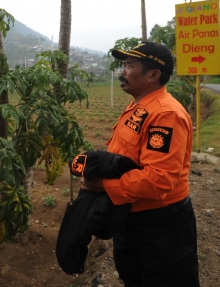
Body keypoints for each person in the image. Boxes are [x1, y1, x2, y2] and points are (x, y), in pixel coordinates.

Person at [81, 41, 200, 287]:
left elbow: (160, 179)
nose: (122, 71)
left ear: (153, 75)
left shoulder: (166, 114)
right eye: (124, 65)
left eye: (129, 65)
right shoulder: (138, 105)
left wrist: (103, 185)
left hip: (160, 225)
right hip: (129, 215)